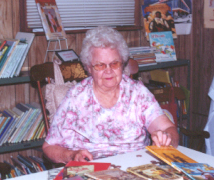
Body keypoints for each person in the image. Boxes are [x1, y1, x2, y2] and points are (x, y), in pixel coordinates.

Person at [42, 26, 179, 164]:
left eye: (114, 64)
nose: (108, 71)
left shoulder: (137, 93)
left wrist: (166, 138)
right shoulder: (76, 97)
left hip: (136, 168)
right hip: (91, 170)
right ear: (89, 68)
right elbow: (49, 147)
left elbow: (169, 129)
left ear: (122, 64)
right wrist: (71, 156)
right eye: (100, 65)